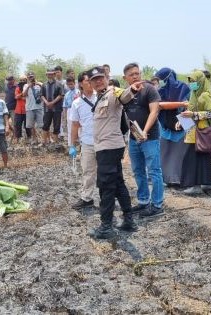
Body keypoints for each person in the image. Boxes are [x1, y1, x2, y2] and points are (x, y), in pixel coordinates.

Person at [87, 66, 144, 239]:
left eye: (101, 78)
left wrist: (132, 89)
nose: (98, 81)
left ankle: (106, 226)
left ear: (106, 78)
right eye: (94, 79)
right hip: (106, 147)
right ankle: (129, 220)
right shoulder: (100, 97)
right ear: (90, 83)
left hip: (109, 148)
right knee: (118, 183)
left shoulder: (113, 92)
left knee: (106, 187)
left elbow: (125, 95)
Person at [121, 63, 164, 217]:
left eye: (137, 73)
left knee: (154, 171)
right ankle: (143, 201)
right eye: (131, 74)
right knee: (138, 171)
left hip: (149, 137)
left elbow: (154, 111)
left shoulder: (149, 89)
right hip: (133, 138)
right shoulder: (126, 93)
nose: (135, 76)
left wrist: (145, 131)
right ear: (125, 78)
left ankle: (157, 204)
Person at [179, 71, 211, 196]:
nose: (191, 84)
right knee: (200, 157)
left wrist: (194, 114)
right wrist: (182, 120)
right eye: (190, 81)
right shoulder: (194, 94)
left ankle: (196, 185)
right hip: (193, 130)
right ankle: (206, 183)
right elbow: (190, 109)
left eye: (194, 81)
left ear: (200, 81)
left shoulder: (205, 95)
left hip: (201, 131)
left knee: (194, 158)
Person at [154, 67, 190, 188]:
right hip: (166, 125)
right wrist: (180, 104)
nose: (161, 82)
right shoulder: (161, 91)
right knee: (165, 153)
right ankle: (167, 178)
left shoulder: (185, 88)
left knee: (180, 153)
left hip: (183, 124)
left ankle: (179, 178)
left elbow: (189, 106)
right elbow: (159, 105)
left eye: (162, 79)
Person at [69, 71, 97, 210]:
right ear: (80, 84)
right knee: (88, 171)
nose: (91, 83)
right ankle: (87, 198)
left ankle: (109, 198)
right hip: (87, 141)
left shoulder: (102, 97)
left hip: (104, 141)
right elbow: (74, 125)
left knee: (107, 172)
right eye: (87, 81)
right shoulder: (76, 103)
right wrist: (72, 145)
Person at [41, 68, 65, 145]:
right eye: (48, 74)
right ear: (46, 75)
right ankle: (44, 142)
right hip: (47, 108)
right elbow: (41, 95)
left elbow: (61, 95)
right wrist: (47, 102)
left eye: (51, 74)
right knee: (45, 124)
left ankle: (56, 143)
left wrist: (52, 102)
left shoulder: (59, 84)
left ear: (54, 74)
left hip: (57, 108)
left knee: (56, 125)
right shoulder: (44, 84)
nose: (50, 75)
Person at [23, 71, 44, 145]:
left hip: (39, 107)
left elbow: (45, 91)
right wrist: (29, 86)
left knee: (41, 125)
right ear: (27, 77)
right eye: (29, 77)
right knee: (30, 125)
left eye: (32, 76)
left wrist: (38, 84)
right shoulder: (25, 85)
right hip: (29, 108)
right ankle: (34, 139)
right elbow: (24, 95)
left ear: (34, 76)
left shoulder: (40, 84)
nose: (31, 78)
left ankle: (43, 139)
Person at [14, 76, 31, 143]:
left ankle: (29, 138)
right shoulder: (17, 88)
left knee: (27, 125)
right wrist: (22, 94)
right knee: (18, 125)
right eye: (21, 80)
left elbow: (28, 97)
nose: (22, 81)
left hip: (27, 110)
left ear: (26, 80)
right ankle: (18, 139)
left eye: (24, 80)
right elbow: (16, 97)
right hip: (18, 110)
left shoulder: (28, 88)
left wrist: (21, 96)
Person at [63, 77, 79, 146]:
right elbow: (65, 106)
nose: (70, 86)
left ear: (74, 84)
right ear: (66, 84)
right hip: (69, 111)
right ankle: (70, 144)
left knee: (79, 128)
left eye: (71, 84)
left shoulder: (79, 92)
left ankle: (80, 144)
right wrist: (64, 116)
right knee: (70, 127)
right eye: (69, 84)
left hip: (78, 110)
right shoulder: (67, 94)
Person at [5, 76, 17, 143]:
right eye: (8, 80)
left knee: (14, 123)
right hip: (6, 107)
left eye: (10, 80)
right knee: (4, 121)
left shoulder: (17, 86)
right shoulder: (6, 86)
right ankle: (13, 131)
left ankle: (15, 137)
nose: (9, 81)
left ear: (13, 80)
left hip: (14, 108)